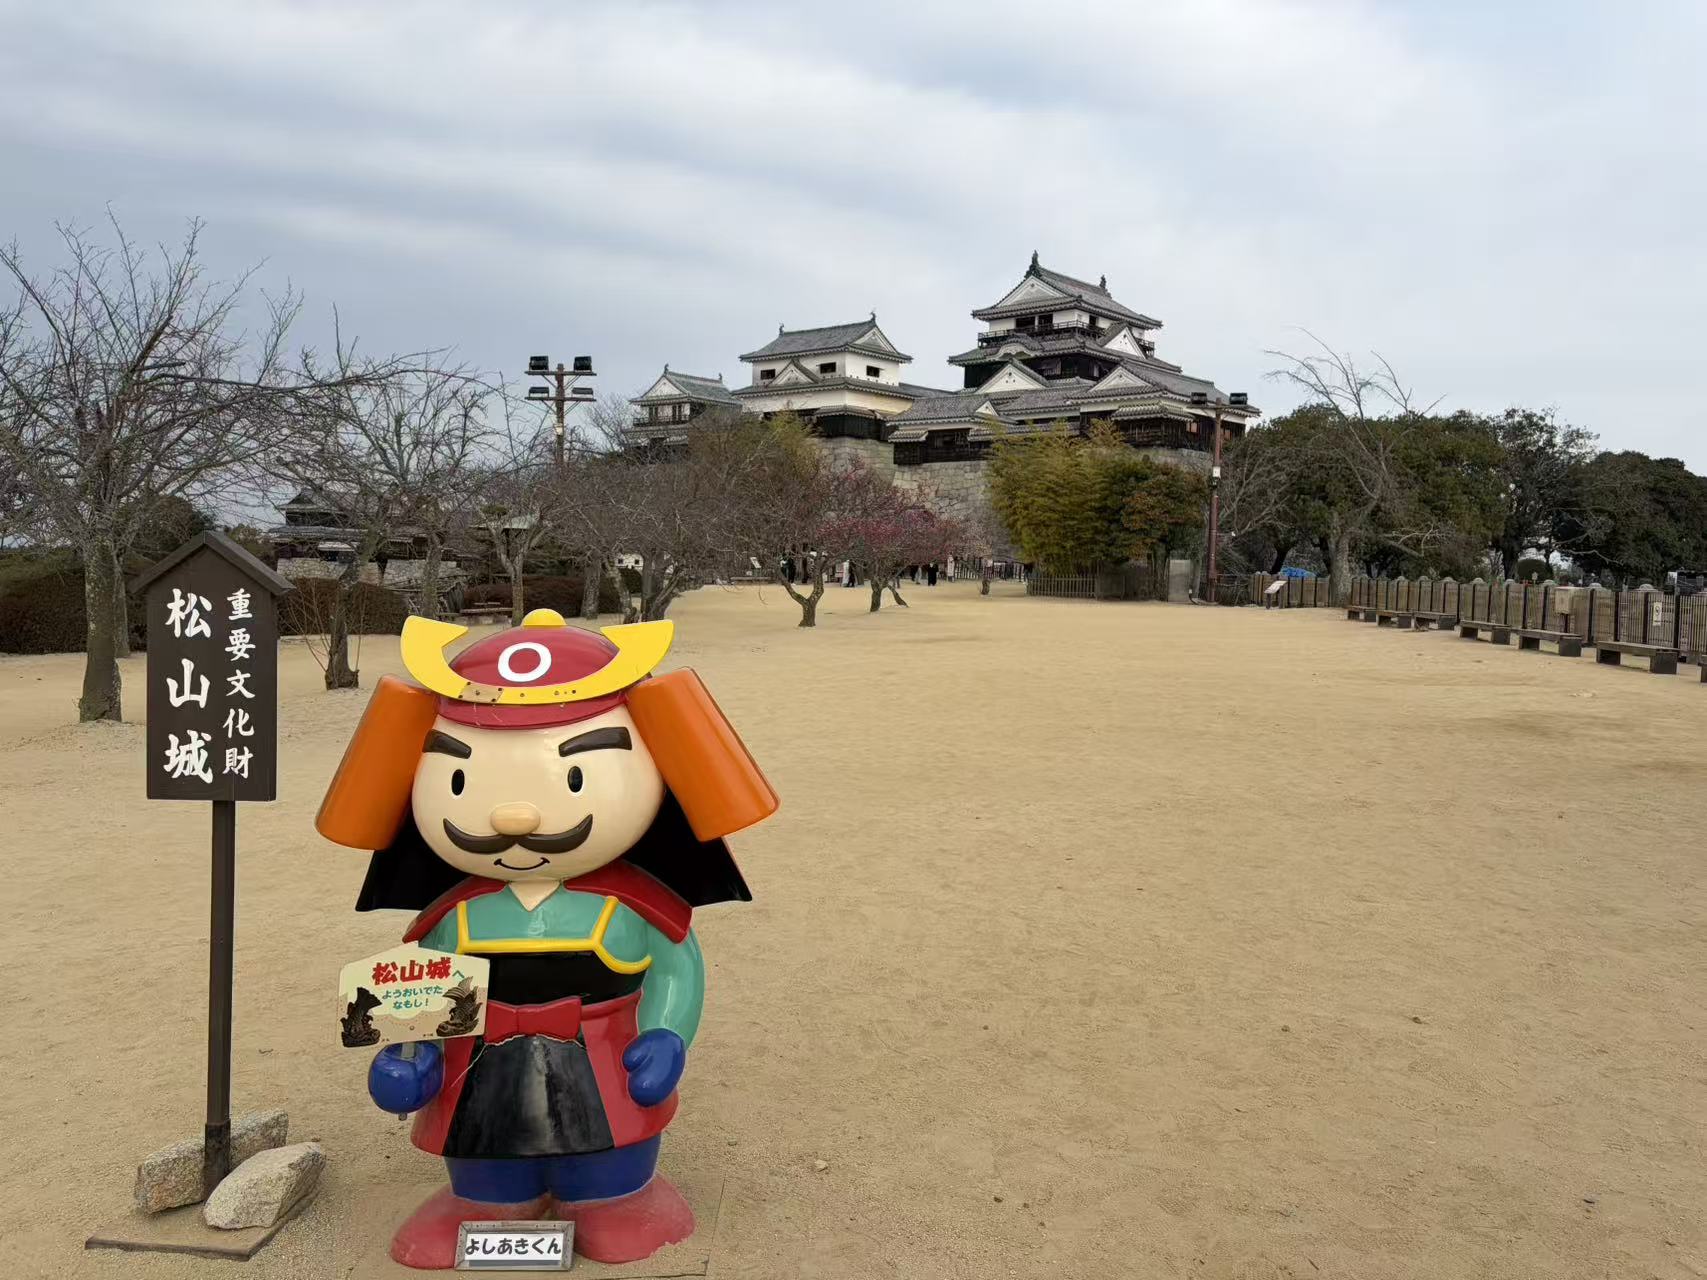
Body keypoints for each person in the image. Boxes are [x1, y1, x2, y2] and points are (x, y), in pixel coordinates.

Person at [317, 610, 777, 1269]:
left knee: (610, 1151)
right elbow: (421, 992)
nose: (513, 817)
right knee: (484, 1150)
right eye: (458, 780)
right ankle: (487, 1203)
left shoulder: (632, 905)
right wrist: (412, 1055)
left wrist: (667, 1035)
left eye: (574, 777)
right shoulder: (452, 915)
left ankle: (614, 1197)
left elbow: (677, 970)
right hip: (479, 1063)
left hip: (602, 1057)